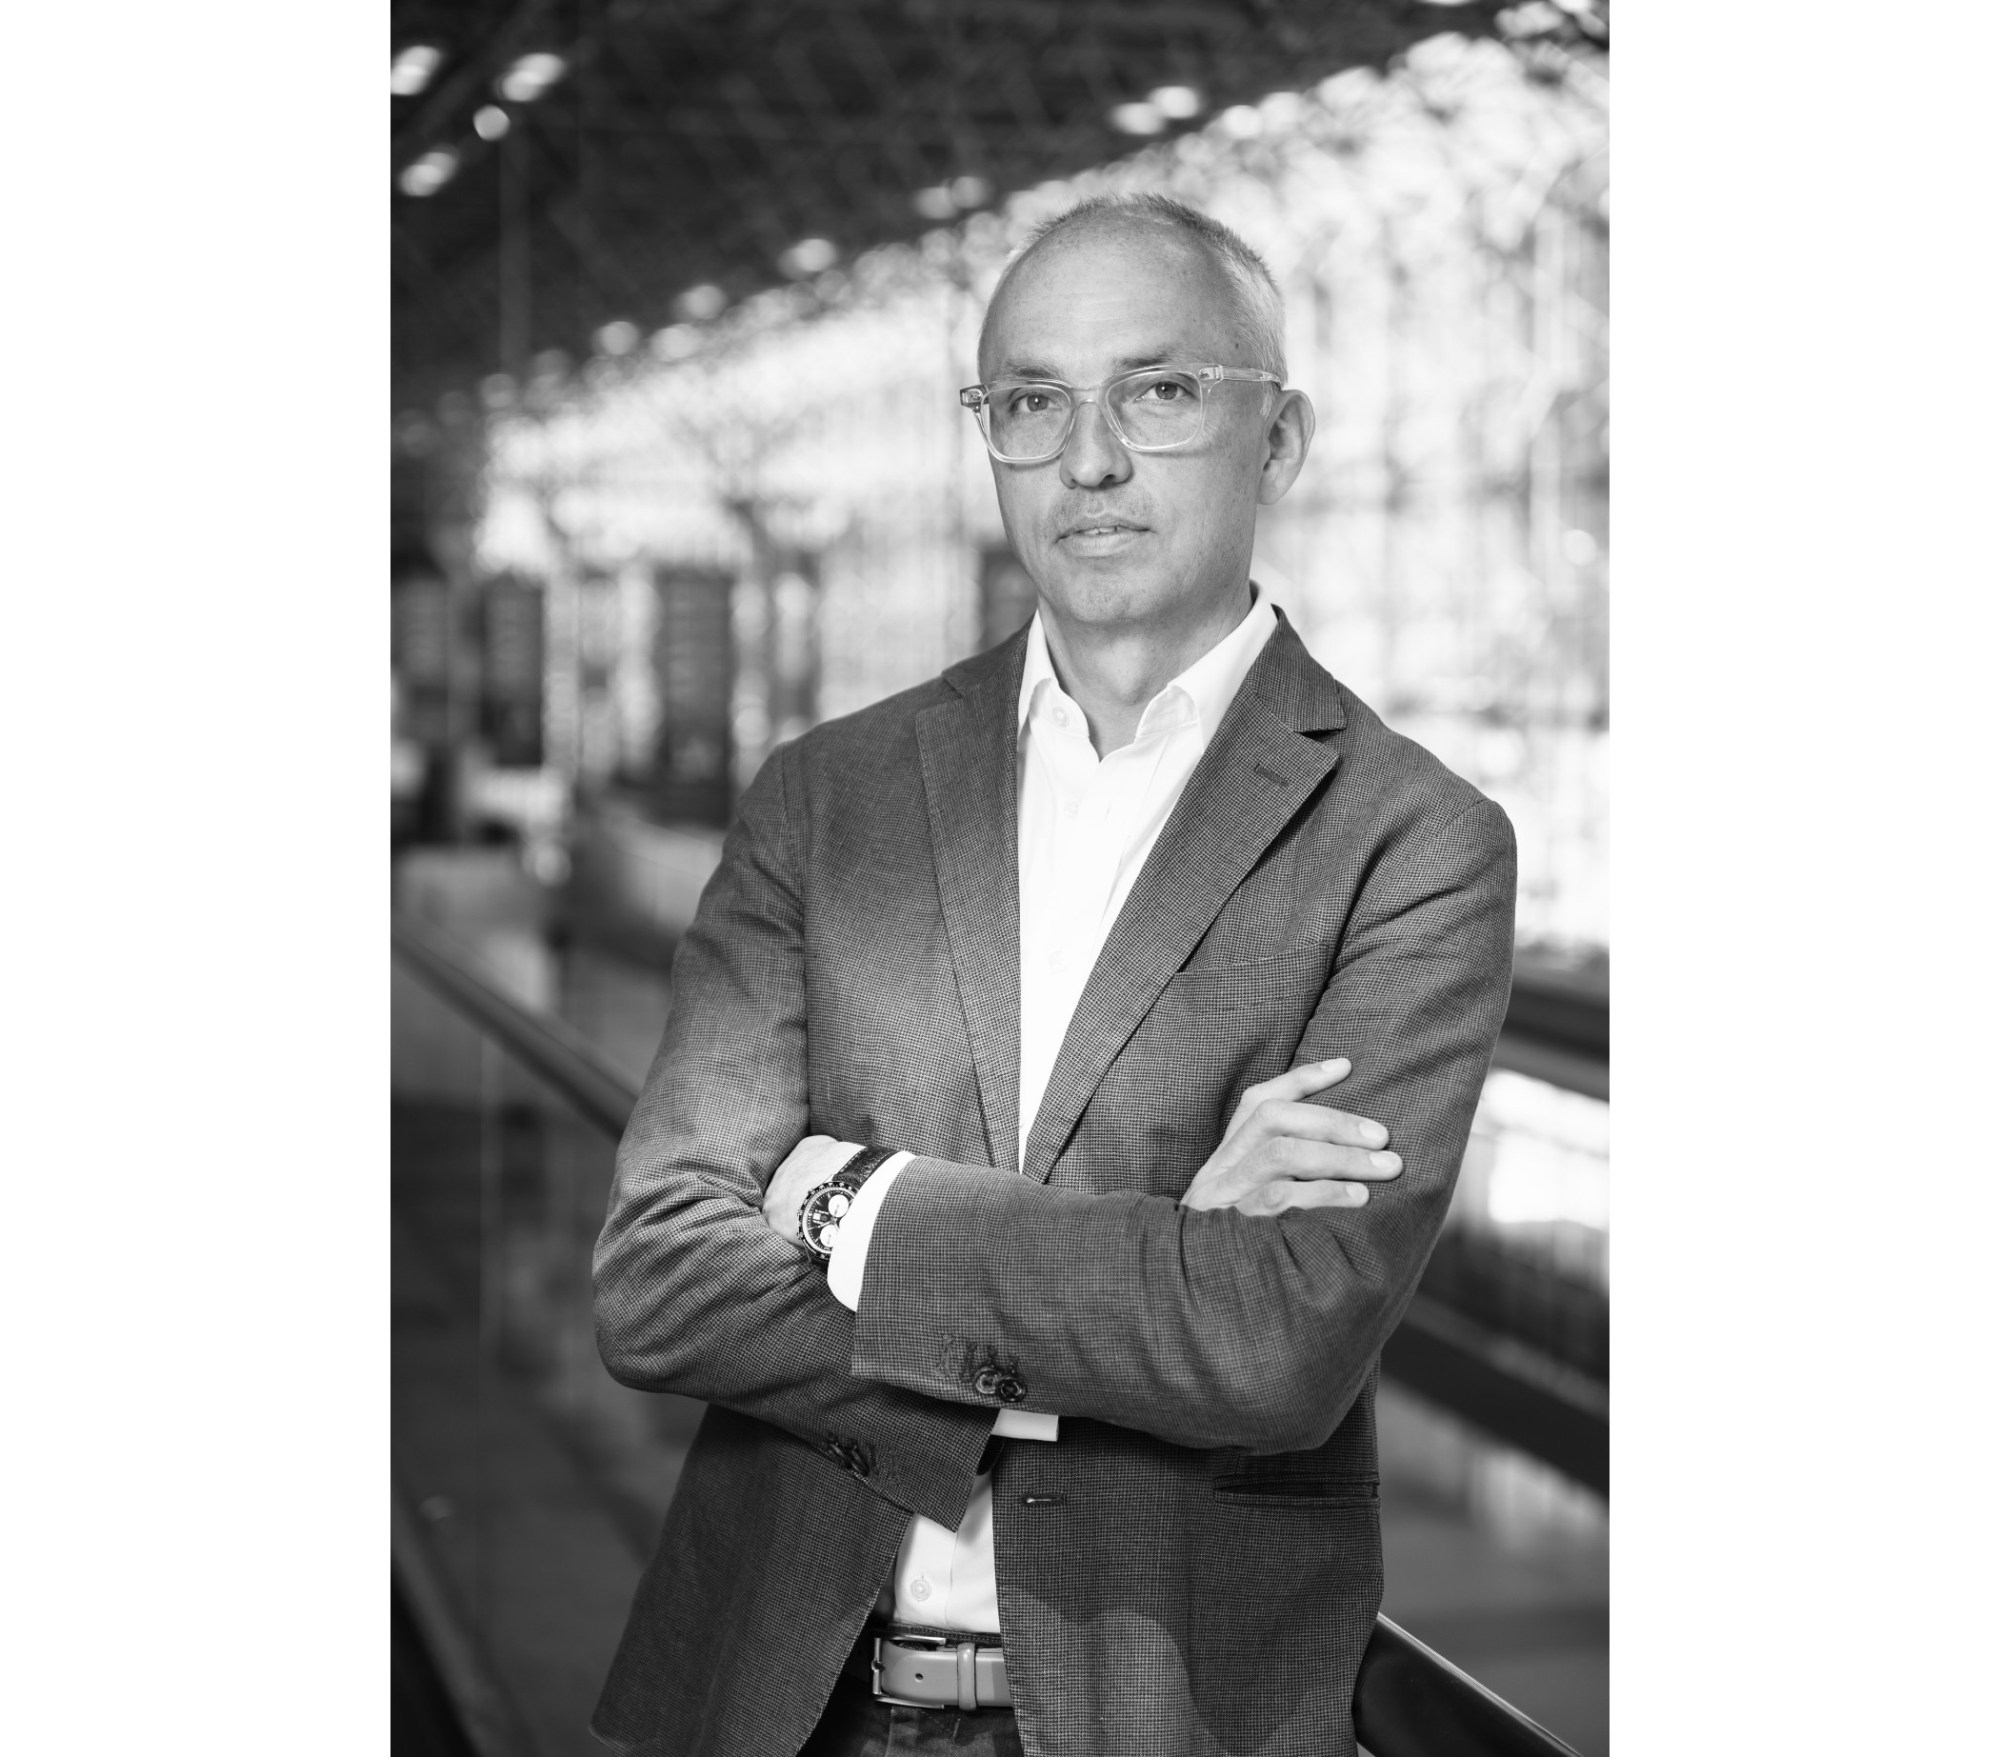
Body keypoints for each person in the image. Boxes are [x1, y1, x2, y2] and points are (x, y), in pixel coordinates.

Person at [589, 194, 1517, 1757]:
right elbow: (659, 1277)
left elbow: (1275, 1343)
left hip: (1167, 1717)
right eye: (1029, 402)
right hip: (787, 1699)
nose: (1087, 460)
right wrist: (1160, 1259)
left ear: (1276, 439)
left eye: (1156, 392)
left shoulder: (1410, 841)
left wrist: (848, 1205)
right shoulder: (833, 795)